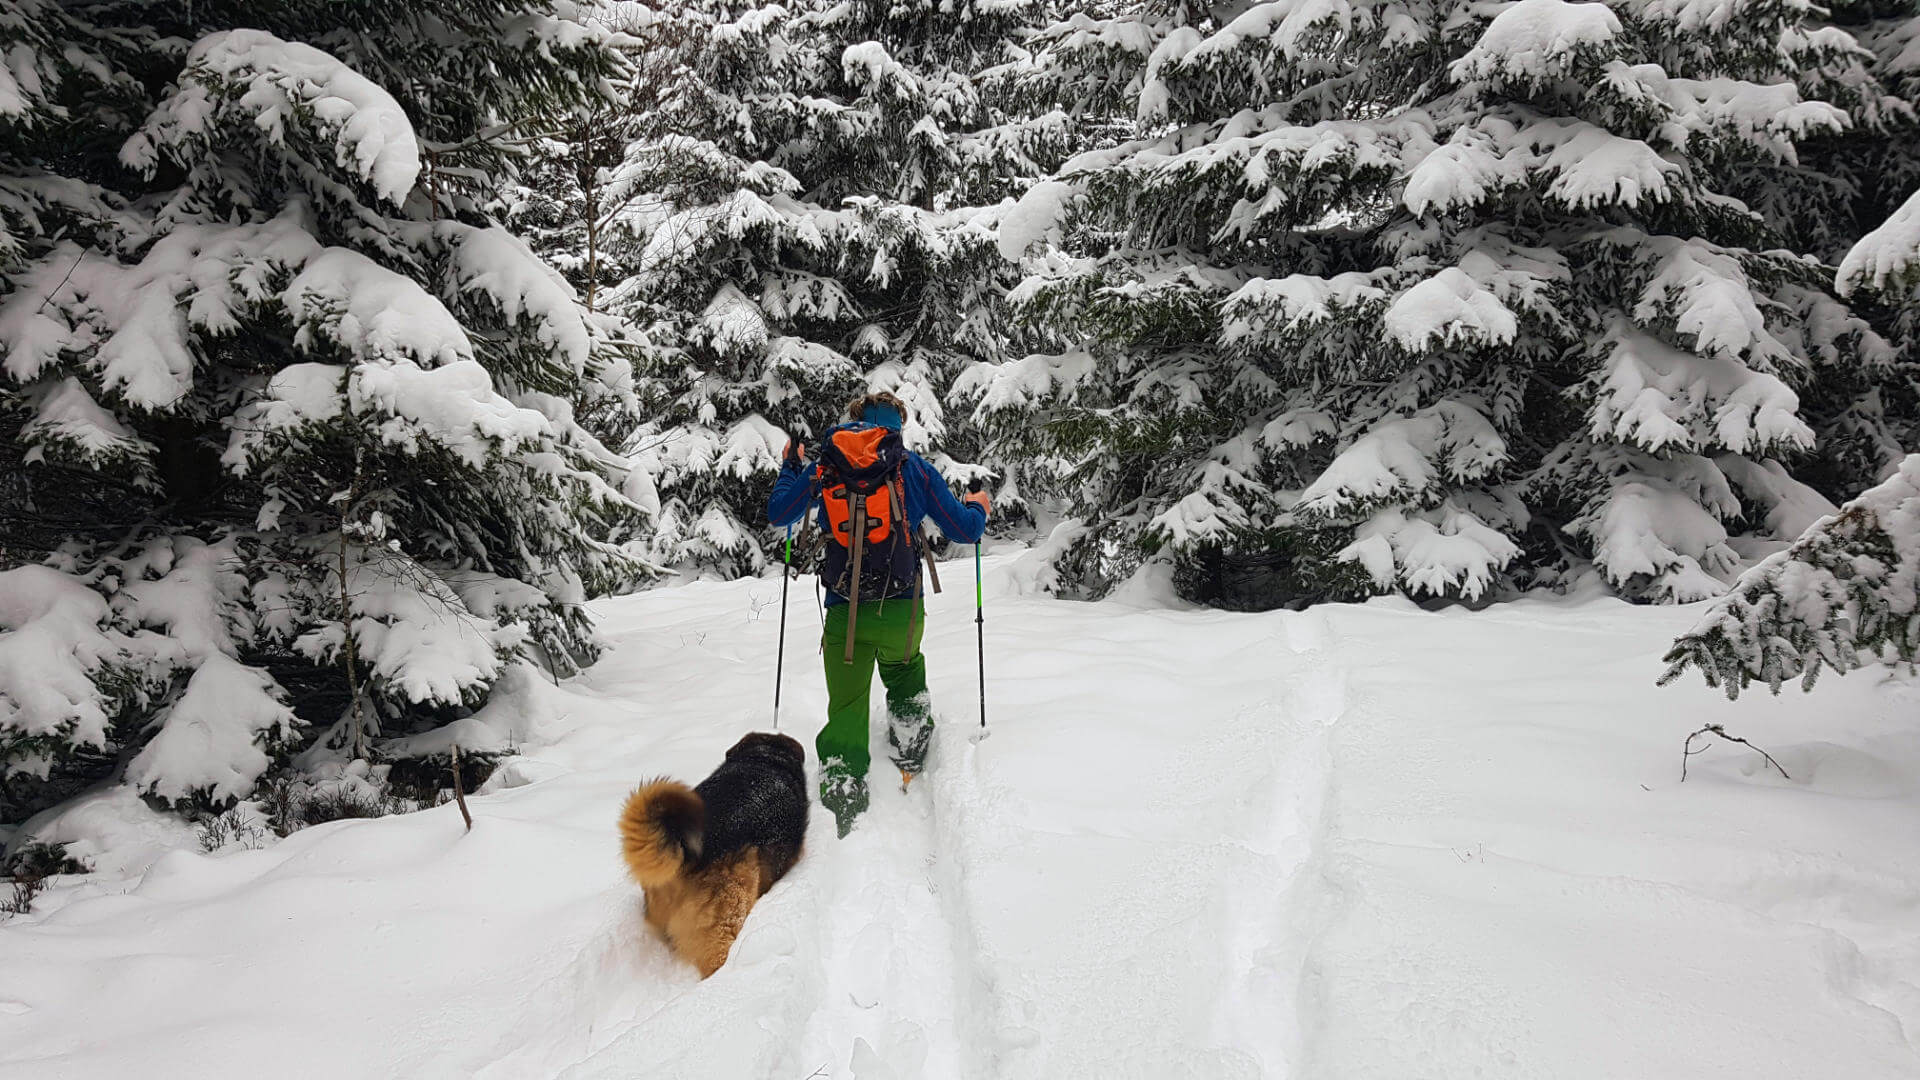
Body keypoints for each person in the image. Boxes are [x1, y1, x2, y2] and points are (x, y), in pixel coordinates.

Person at [767, 391, 989, 835]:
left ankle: (844, 790)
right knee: (905, 671)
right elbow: (965, 529)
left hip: (844, 611)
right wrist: (979, 507)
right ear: (898, 425)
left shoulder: (828, 465)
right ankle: (910, 744)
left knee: (847, 702)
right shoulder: (912, 468)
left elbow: (780, 513)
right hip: (902, 609)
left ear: (856, 420)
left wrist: (792, 465)